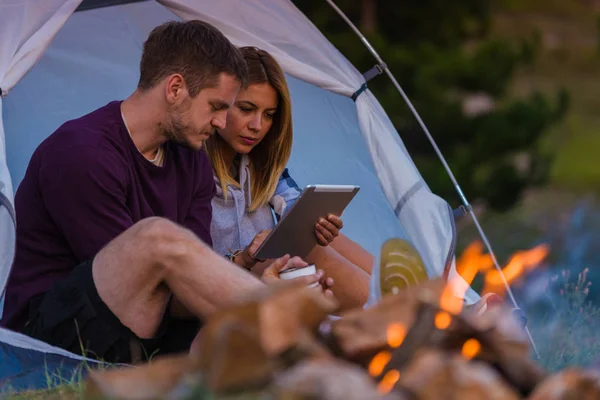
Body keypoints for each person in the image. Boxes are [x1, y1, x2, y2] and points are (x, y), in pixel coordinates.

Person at [0, 20, 331, 364]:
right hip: (51, 337)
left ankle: (319, 336)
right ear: (175, 88)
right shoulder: (81, 152)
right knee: (156, 239)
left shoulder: (192, 161)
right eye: (217, 106)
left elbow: (184, 292)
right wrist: (257, 293)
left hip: (144, 330)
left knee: (263, 288)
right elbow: (144, 282)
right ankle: (303, 329)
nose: (221, 122)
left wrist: (257, 276)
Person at [205, 47, 374, 310]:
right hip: (219, 289)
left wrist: (318, 225)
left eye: (269, 115)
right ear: (219, 102)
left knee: (316, 235)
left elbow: (292, 204)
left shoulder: (257, 164)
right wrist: (246, 256)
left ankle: (406, 296)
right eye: (247, 109)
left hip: (262, 276)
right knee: (308, 252)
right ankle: (393, 307)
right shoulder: (192, 169)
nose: (257, 126)